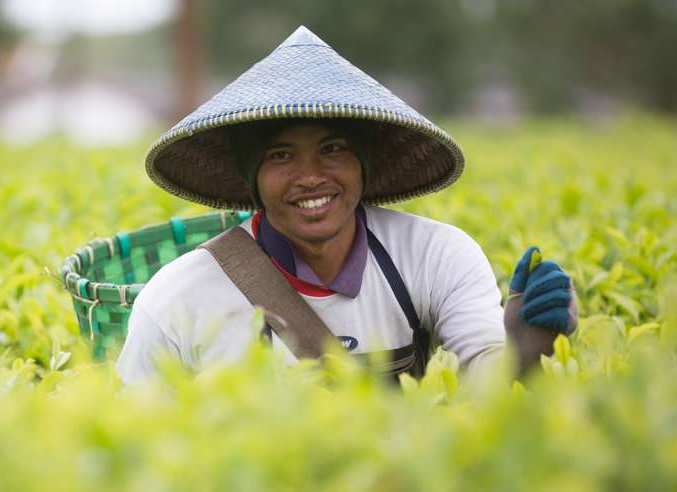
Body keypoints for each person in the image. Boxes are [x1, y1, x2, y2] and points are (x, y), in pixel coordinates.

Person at [115, 26, 577, 384]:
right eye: (280, 155)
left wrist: (527, 347)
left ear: (363, 164)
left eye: (333, 148)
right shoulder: (176, 299)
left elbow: (488, 398)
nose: (311, 176)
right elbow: (136, 447)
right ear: (251, 177)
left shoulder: (437, 257)